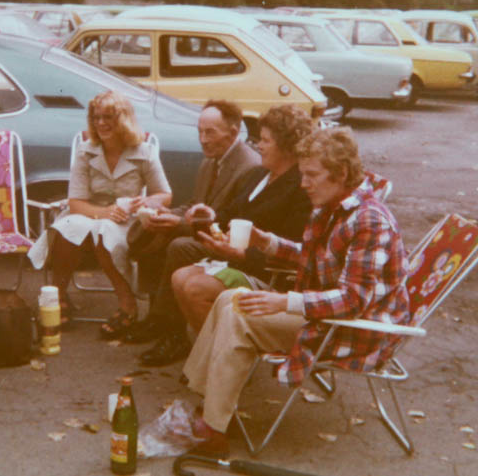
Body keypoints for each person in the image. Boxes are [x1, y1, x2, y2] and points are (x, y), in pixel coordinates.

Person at [182, 128, 410, 456]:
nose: (303, 184)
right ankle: (211, 407)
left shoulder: (370, 221)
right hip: (328, 315)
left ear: (341, 173)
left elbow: (354, 300)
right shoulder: (334, 206)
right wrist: (267, 242)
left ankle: (214, 430)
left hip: (355, 331)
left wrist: (284, 301)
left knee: (240, 316)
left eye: (311, 175)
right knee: (227, 299)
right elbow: (313, 254)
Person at [28, 90, 172, 338]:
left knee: (105, 232)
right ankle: (60, 295)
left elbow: (164, 195)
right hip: (90, 212)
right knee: (67, 227)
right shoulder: (86, 151)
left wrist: (145, 201)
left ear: (123, 120)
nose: (101, 123)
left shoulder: (144, 152)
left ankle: (128, 305)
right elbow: (75, 203)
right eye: (96, 117)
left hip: (126, 219)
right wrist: (104, 212)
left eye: (109, 117)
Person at [124, 100, 260, 346]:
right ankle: (157, 317)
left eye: (210, 132)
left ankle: (172, 330)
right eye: (200, 131)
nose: (203, 139)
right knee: (149, 231)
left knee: (178, 245)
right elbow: (196, 203)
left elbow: (226, 221)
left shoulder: (249, 166)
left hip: (227, 242)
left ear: (232, 133)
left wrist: (177, 222)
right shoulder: (211, 160)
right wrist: (159, 212)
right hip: (205, 231)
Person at [171, 106, 314, 334]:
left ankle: (224, 355)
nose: (259, 145)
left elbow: (292, 246)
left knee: (195, 288)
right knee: (180, 277)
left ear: (287, 147)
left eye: (266, 141)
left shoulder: (301, 187)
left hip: (268, 273)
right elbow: (229, 214)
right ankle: (208, 350)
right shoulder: (259, 174)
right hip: (236, 260)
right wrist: (208, 216)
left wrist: (242, 254)